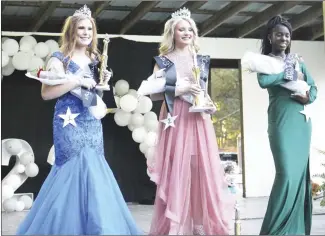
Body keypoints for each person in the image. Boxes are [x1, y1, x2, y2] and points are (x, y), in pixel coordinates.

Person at [16, 5, 142, 235]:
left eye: (90, 29)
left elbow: (94, 96)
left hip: (91, 121)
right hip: (68, 122)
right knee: (72, 169)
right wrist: (76, 81)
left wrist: (102, 81)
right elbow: (46, 93)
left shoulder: (95, 58)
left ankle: (98, 228)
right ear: (71, 31)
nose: (86, 32)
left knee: (94, 168)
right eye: (81, 28)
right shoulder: (59, 58)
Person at [147, 8, 234, 235]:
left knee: (199, 168)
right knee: (178, 168)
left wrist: (210, 103)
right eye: (181, 29)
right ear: (172, 33)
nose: (186, 33)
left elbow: (201, 90)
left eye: (190, 29)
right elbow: (154, 92)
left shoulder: (201, 59)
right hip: (175, 117)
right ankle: (176, 225)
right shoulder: (164, 61)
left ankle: (199, 224)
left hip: (198, 118)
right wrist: (180, 88)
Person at [257, 15, 317, 235]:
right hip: (281, 122)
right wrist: (286, 70)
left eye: (287, 35)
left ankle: (295, 231)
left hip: (301, 121)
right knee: (286, 175)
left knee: (299, 177)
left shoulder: (298, 59)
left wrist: (307, 98)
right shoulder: (265, 61)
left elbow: (314, 90)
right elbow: (263, 82)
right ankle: (274, 230)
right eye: (279, 34)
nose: (284, 38)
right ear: (270, 37)